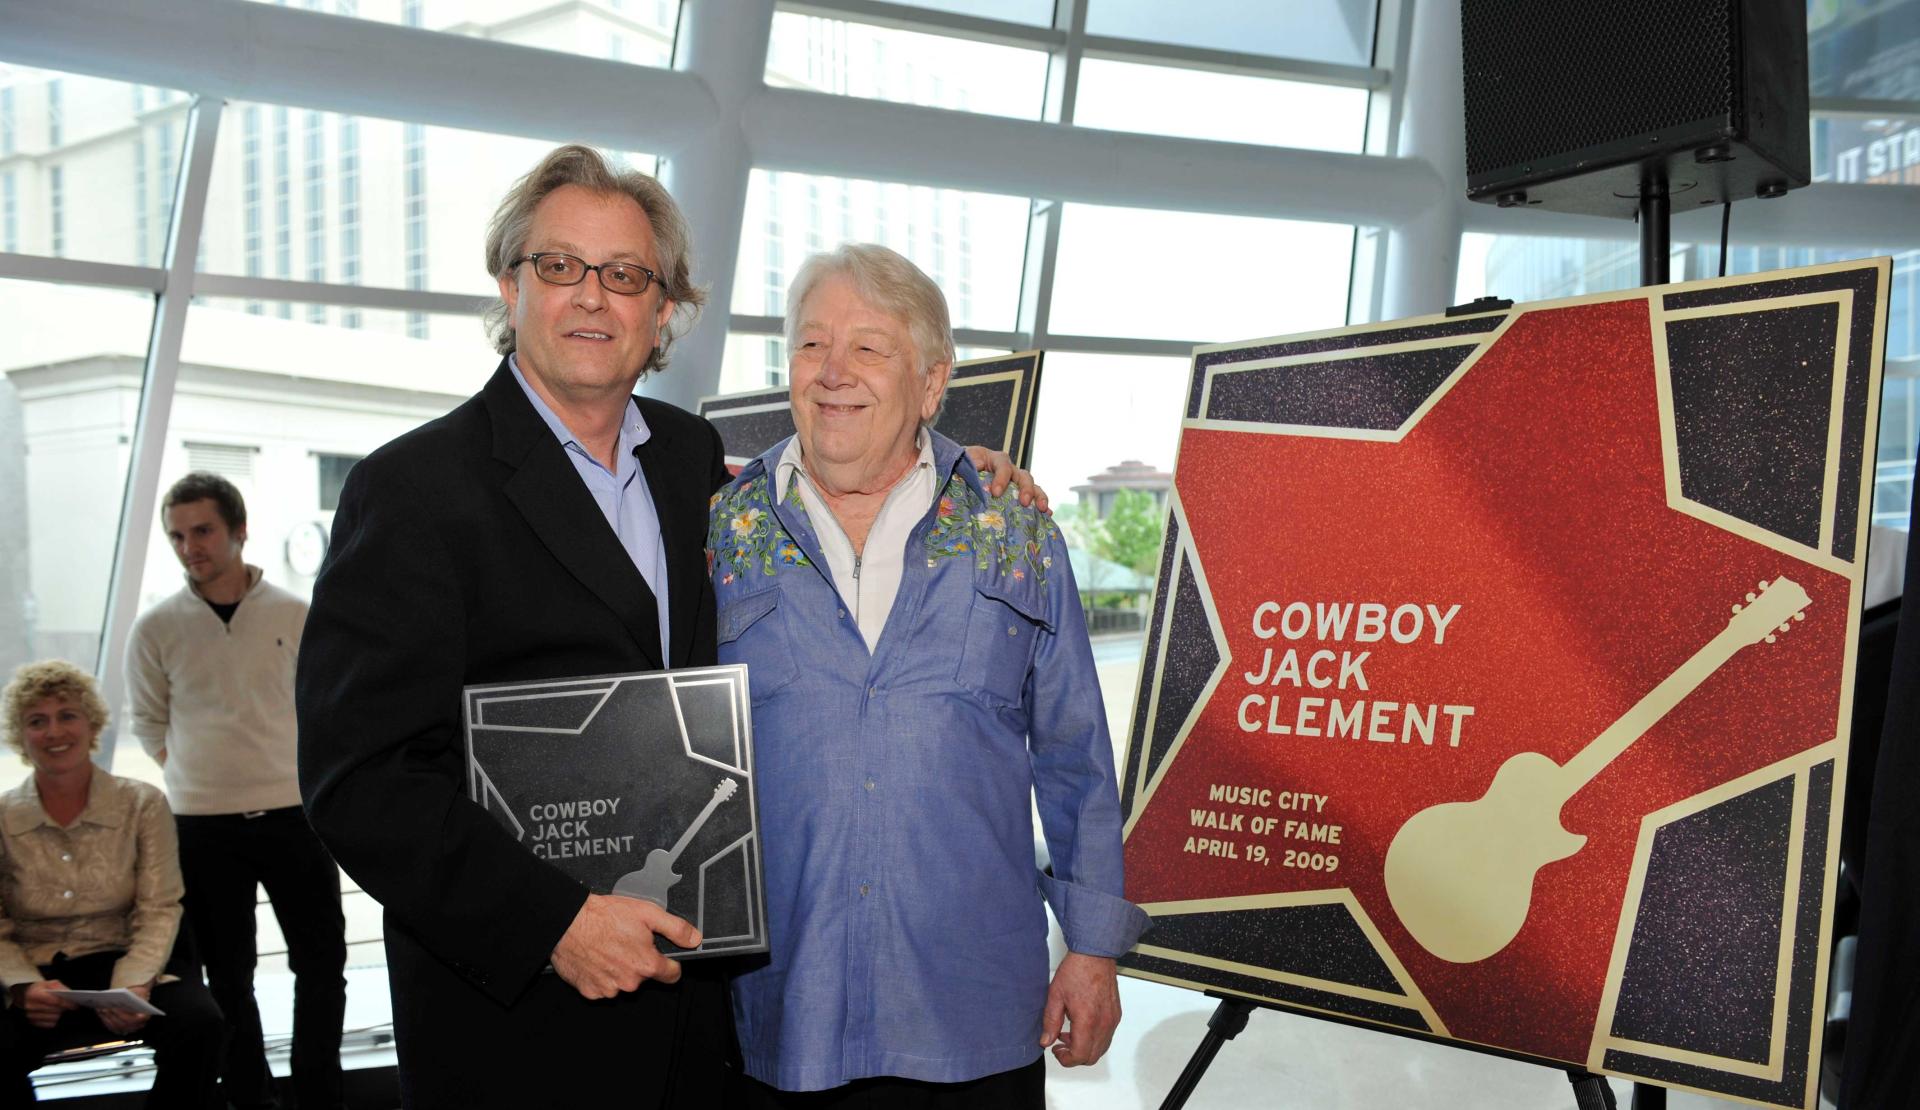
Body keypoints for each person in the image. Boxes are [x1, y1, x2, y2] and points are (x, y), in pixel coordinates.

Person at [293, 145, 1036, 1107]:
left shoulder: (695, 464)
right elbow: (360, 779)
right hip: (521, 1033)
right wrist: (550, 923)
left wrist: (960, 473)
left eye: (626, 276)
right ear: (510, 285)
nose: (592, 298)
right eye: (560, 267)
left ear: (663, 310)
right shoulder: (412, 491)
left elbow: (853, 484)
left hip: (699, 1023)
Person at [711, 243, 1148, 1107]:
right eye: (810, 344)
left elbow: (1075, 755)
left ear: (932, 381)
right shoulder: (719, 535)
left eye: (869, 348)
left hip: (975, 1021)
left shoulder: (1013, 532)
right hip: (782, 1019)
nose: (833, 373)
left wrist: (1092, 951)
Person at [125, 472, 346, 1110]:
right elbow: (149, 725)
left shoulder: (296, 614)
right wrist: (204, 776)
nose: (190, 546)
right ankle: (250, 1097)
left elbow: (324, 710)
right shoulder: (154, 629)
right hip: (202, 826)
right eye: (177, 536)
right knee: (227, 978)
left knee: (322, 968)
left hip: (294, 817)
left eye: (203, 530)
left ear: (239, 530)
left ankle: (319, 1096)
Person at [0, 660, 225, 1107]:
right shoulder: (3, 817)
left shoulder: (142, 803)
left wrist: (134, 984)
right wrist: (25, 987)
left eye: (67, 715)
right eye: (37, 721)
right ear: (20, 735)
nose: (54, 731)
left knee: (202, 1025)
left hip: (129, 960)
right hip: (36, 970)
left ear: (92, 724)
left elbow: (160, 906)